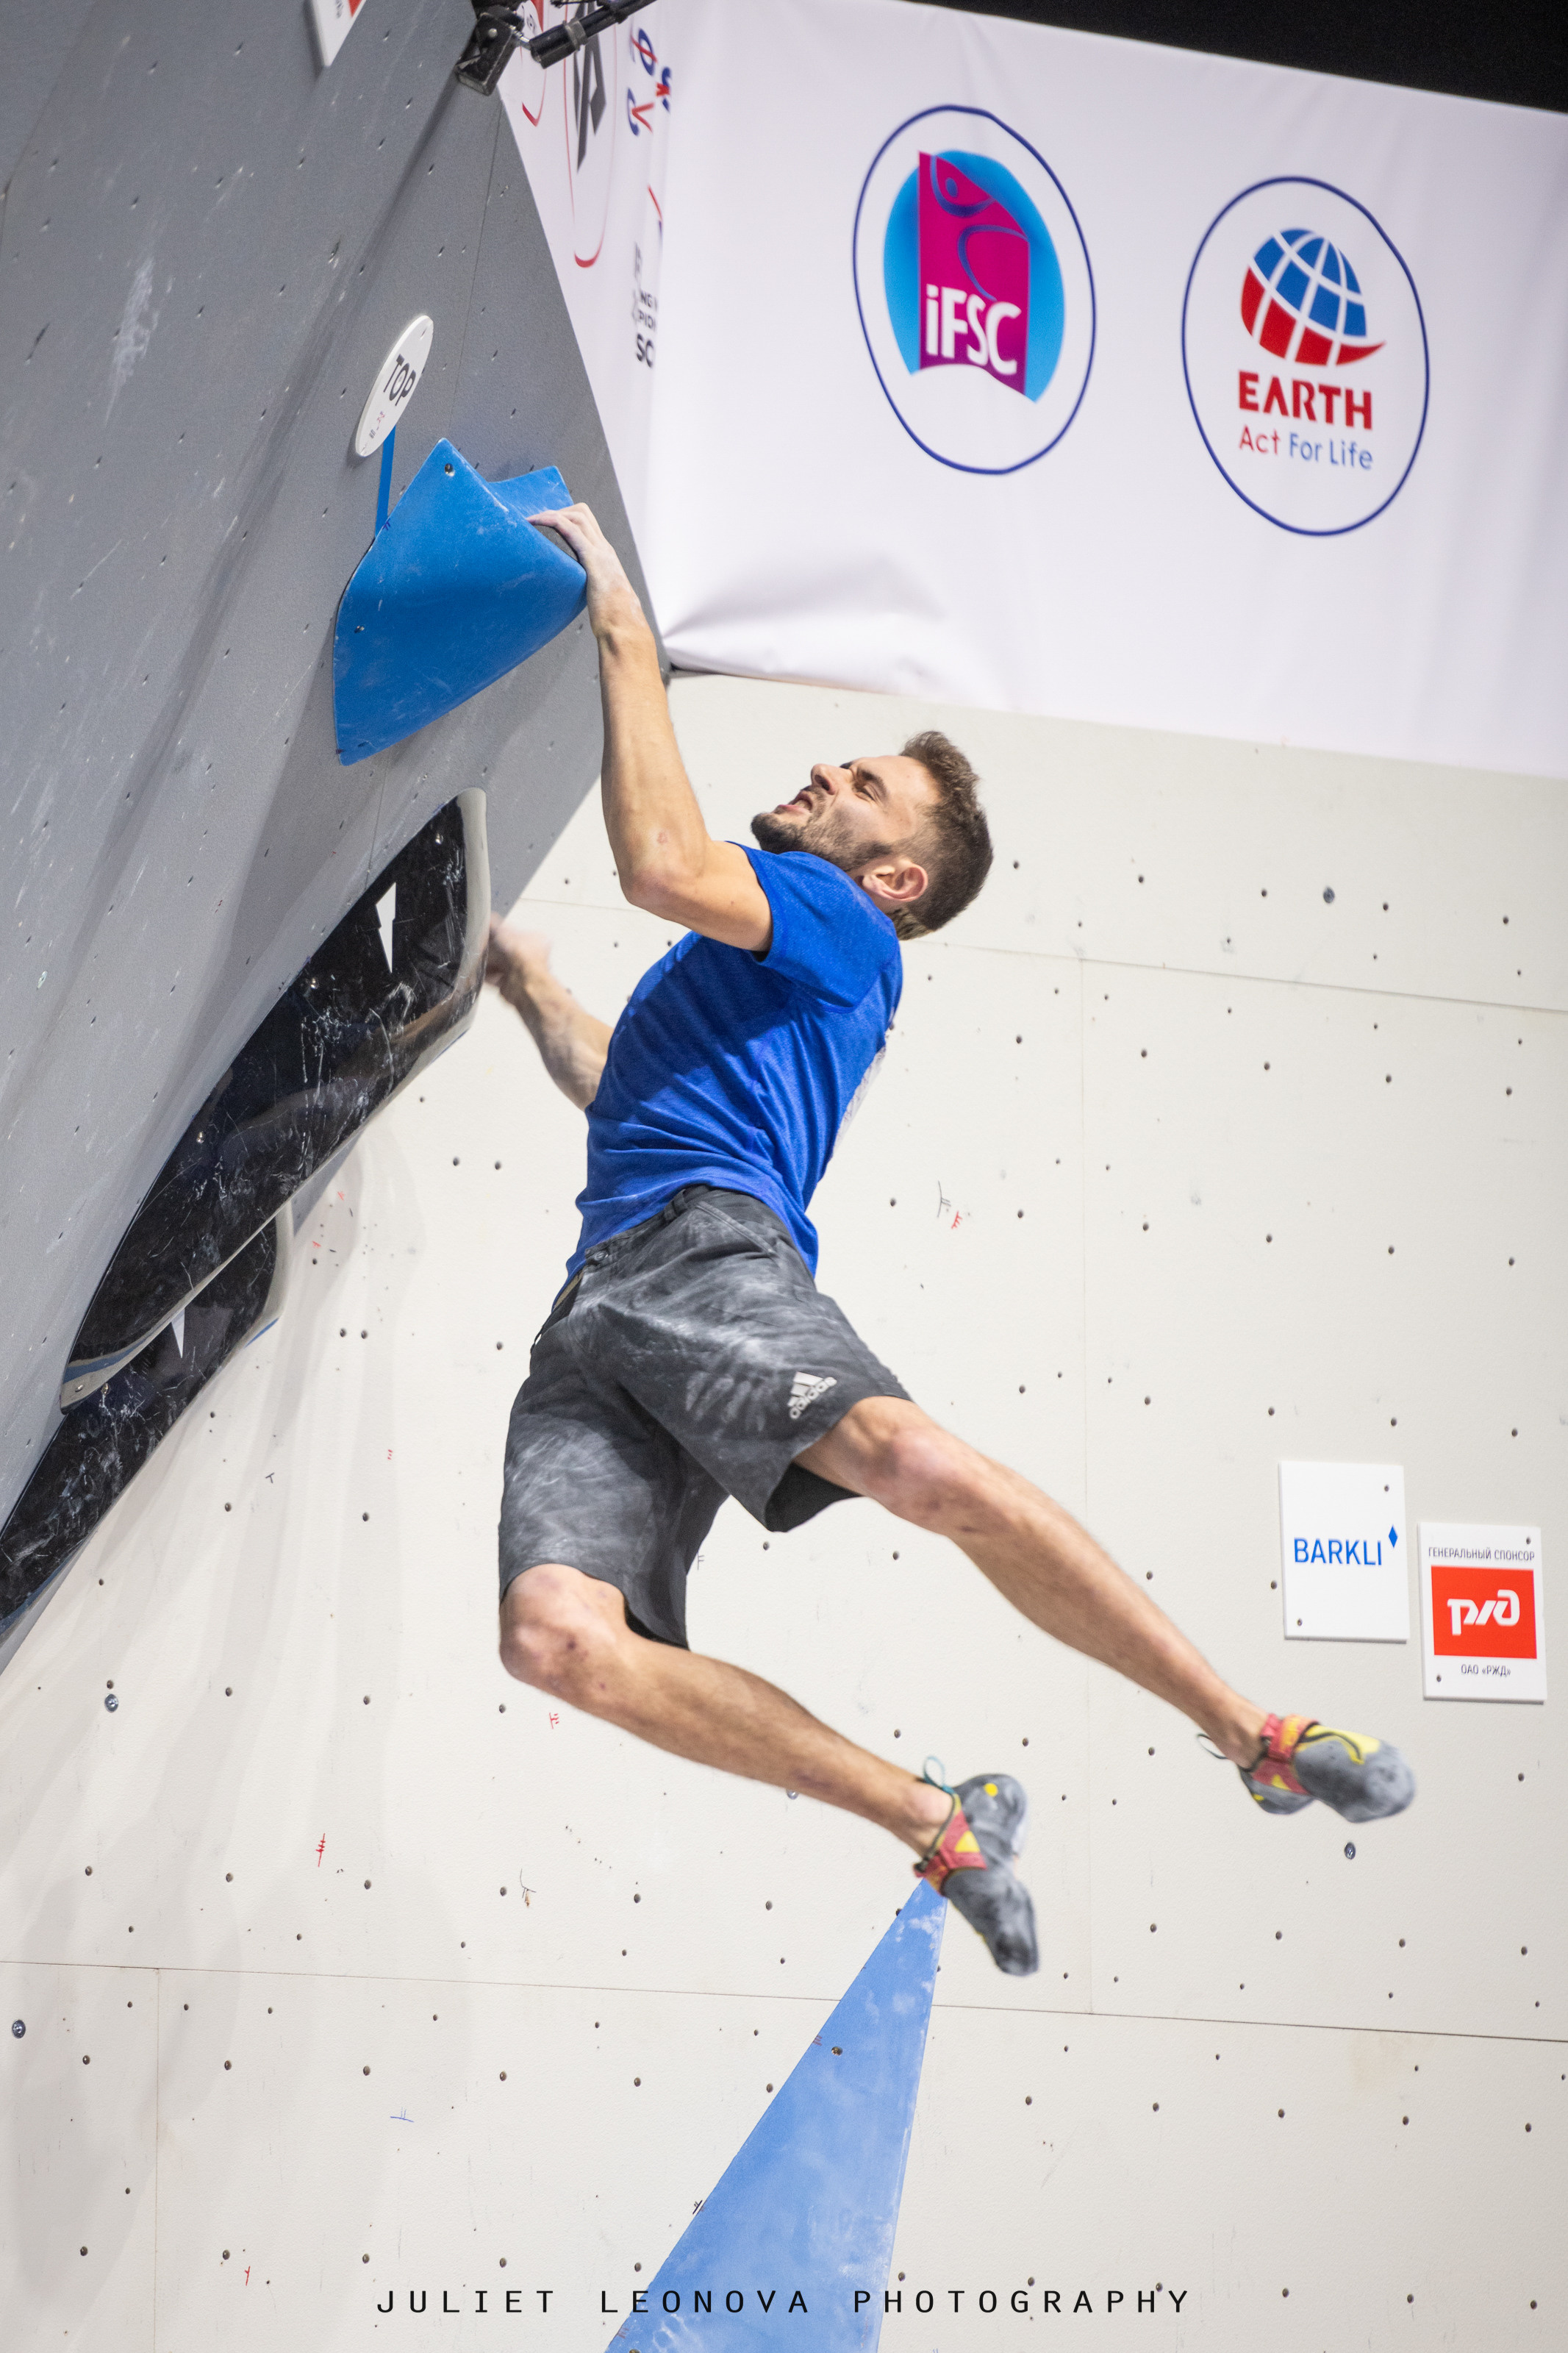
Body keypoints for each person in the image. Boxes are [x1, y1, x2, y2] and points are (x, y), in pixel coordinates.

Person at [484, 502, 1415, 1977]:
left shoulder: (827, 918)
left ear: (892, 877)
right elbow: (627, 1094)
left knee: (919, 1467)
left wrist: (618, 622)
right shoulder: (751, 989)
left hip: (707, 1265)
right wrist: (527, 988)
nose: (823, 774)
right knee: (555, 1642)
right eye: (839, 761)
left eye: (860, 784)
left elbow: (659, 859)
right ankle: (934, 1819)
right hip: (601, 1309)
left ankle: (1251, 1729)